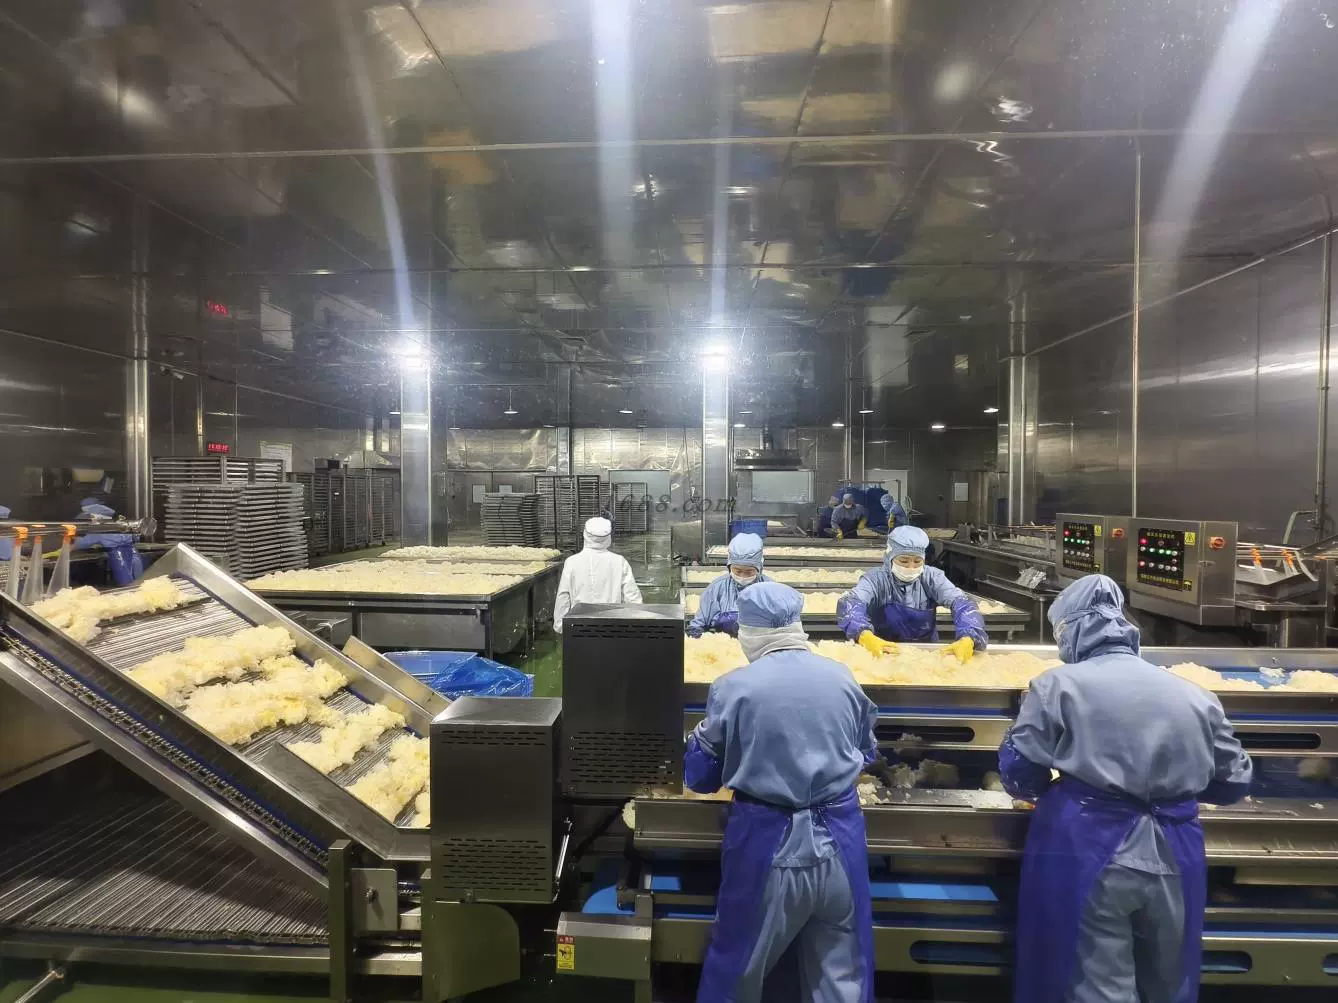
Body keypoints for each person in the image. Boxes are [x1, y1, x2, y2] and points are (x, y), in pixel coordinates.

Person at [999, 574, 1253, 1003]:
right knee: (1169, 978)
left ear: (1074, 629)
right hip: (1177, 847)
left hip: (1088, 845)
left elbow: (1021, 772)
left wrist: (1054, 784)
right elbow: (1233, 782)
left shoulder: (1057, 686)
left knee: (1095, 980)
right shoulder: (1197, 695)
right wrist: (1168, 787)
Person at [685, 581, 879, 1003]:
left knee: (738, 969)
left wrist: (699, 742)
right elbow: (867, 752)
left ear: (750, 631)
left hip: (768, 845)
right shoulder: (842, 676)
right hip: (842, 841)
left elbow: (701, 778)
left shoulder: (734, 687)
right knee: (843, 973)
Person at [837, 525, 986, 662]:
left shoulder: (932, 577)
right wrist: (864, 635)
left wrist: (969, 636)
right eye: (904, 561)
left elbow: (962, 603)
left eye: (917, 561)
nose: (911, 567)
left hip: (926, 655)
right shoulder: (875, 580)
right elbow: (850, 602)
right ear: (890, 557)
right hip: (882, 653)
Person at [552, 516, 642, 633]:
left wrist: (560, 625)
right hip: (611, 627)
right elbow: (632, 598)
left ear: (585, 535)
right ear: (608, 537)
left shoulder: (572, 562)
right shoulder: (619, 561)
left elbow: (563, 596)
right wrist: (633, 628)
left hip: (578, 627)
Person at [686, 533, 766, 638]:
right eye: (737, 571)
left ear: (759, 568)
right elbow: (699, 622)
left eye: (749, 572)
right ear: (729, 567)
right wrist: (695, 635)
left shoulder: (770, 590)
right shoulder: (717, 588)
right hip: (723, 644)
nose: (742, 576)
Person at [74, 497, 143, 585]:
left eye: (91, 517)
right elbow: (136, 537)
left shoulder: (100, 528)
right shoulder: (120, 523)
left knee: (126, 582)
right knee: (139, 581)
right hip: (133, 551)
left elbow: (83, 542)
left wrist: (70, 546)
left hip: (118, 554)